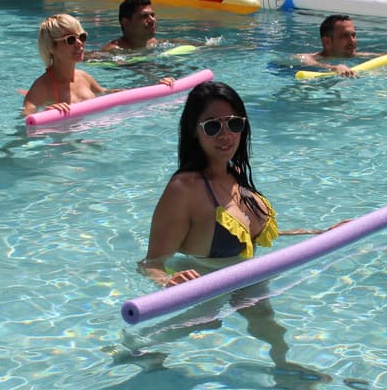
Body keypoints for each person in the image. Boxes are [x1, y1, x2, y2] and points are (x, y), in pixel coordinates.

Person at [141, 81, 331, 287]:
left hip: (249, 284)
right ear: (194, 130)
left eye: (234, 124)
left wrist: (321, 233)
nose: (226, 134)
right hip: (204, 297)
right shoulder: (184, 190)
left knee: (267, 319)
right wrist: (168, 282)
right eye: (212, 126)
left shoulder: (235, 174)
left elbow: (247, 233)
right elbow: (151, 263)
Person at [21, 13, 175, 117]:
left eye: (81, 37)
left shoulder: (84, 78)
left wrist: (155, 88)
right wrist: (46, 113)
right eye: (70, 40)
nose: (80, 44)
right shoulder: (42, 88)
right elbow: (25, 121)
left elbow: (110, 94)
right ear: (51, 47)